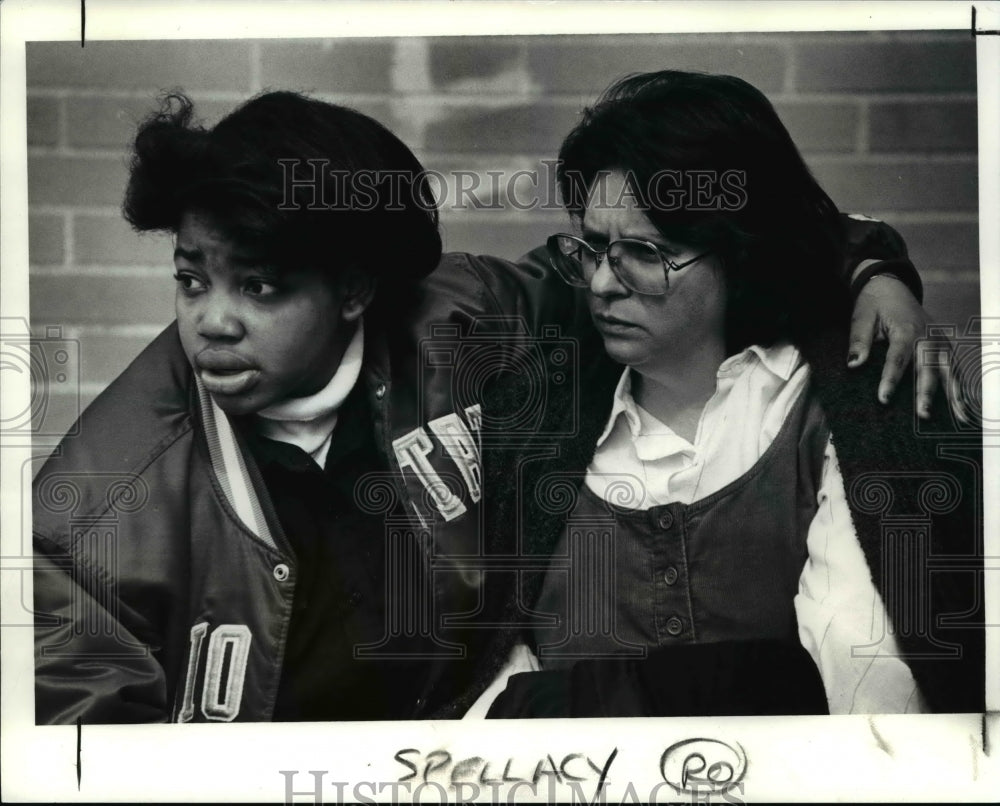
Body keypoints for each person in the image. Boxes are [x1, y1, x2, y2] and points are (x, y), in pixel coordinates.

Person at [32, 86, 945, 723]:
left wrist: (870, 266)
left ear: (355, 289)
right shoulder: (95, 506)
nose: (212, 324)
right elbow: (72, 749)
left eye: (261, 287)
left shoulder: (470, 321)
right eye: (191, 280)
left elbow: (721, 235)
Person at [479, 71, 983, 718]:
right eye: (594, 246)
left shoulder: (837, 407)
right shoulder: (536, 417)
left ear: (739, 254)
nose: (603, 282)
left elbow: (868, 691)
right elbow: (492, 698)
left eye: (646, 251)